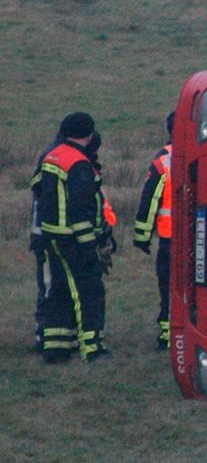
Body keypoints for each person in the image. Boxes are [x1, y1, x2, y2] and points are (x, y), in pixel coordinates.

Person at [30, 112, 112, 363]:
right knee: (88, 291)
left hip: (51, 235)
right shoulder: (78, 163)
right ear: (88, 136)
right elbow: (79, 210)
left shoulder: (52, 156)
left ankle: (55, 347)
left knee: (59, 290)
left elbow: (37, 186)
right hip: (73, 239)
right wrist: (91, 247)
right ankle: (92, 348)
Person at [134, 112, 174, 349]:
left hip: (170, 240)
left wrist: (142, 237)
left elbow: (150, 201)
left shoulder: (164, 161)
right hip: (203, 239)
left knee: (168, 286)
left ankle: (169, 336)